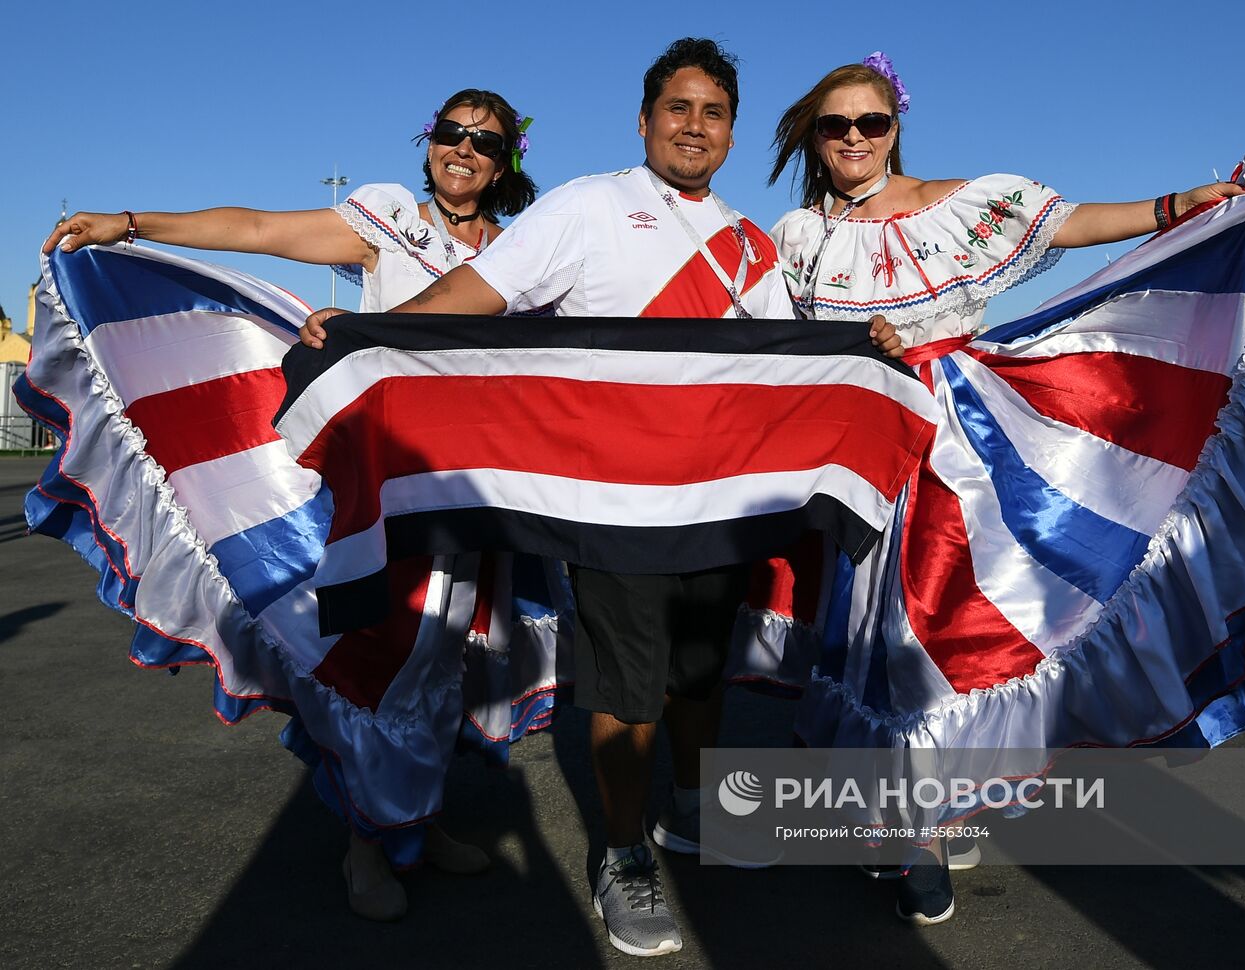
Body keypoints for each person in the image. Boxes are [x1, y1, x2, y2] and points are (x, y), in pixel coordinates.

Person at [303, 38, 902, 957]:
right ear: (645, 119)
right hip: (610, 502)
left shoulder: (749, 245)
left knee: (699, 673)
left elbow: (791, 363)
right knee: (628, 688)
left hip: (719, 505)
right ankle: (623, 856)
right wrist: (368, 329)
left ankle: (696, 810)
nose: (694, 126)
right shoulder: (589, 204)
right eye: (678, 108)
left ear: (732, 132)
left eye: (712, 113)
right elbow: (482, 290)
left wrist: (869, 346)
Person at [765, 53, 1245, 926]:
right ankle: (906, 811)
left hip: (958, 442)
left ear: (894, 128)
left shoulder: (959, 204)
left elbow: (1067, 223)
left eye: (870, 122)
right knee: (865, 636)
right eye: (835, 125)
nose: (853, 138)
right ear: (815, 136)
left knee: (937, 632)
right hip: (858, 447)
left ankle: (924, 829)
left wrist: (1173, 207)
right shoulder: (798, 236)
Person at [41, 87, 538, 922]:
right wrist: (128, 224)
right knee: (376, 654)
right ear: (430, 144)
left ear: (504, 164)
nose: (465, 149)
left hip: (465, 485)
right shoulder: (390, 222)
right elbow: (259, 228)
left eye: (485, 142)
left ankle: (421, 820)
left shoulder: (516, 252)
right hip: (380, 478)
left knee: (441, 659)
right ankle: (364, 847)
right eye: (452, 133)